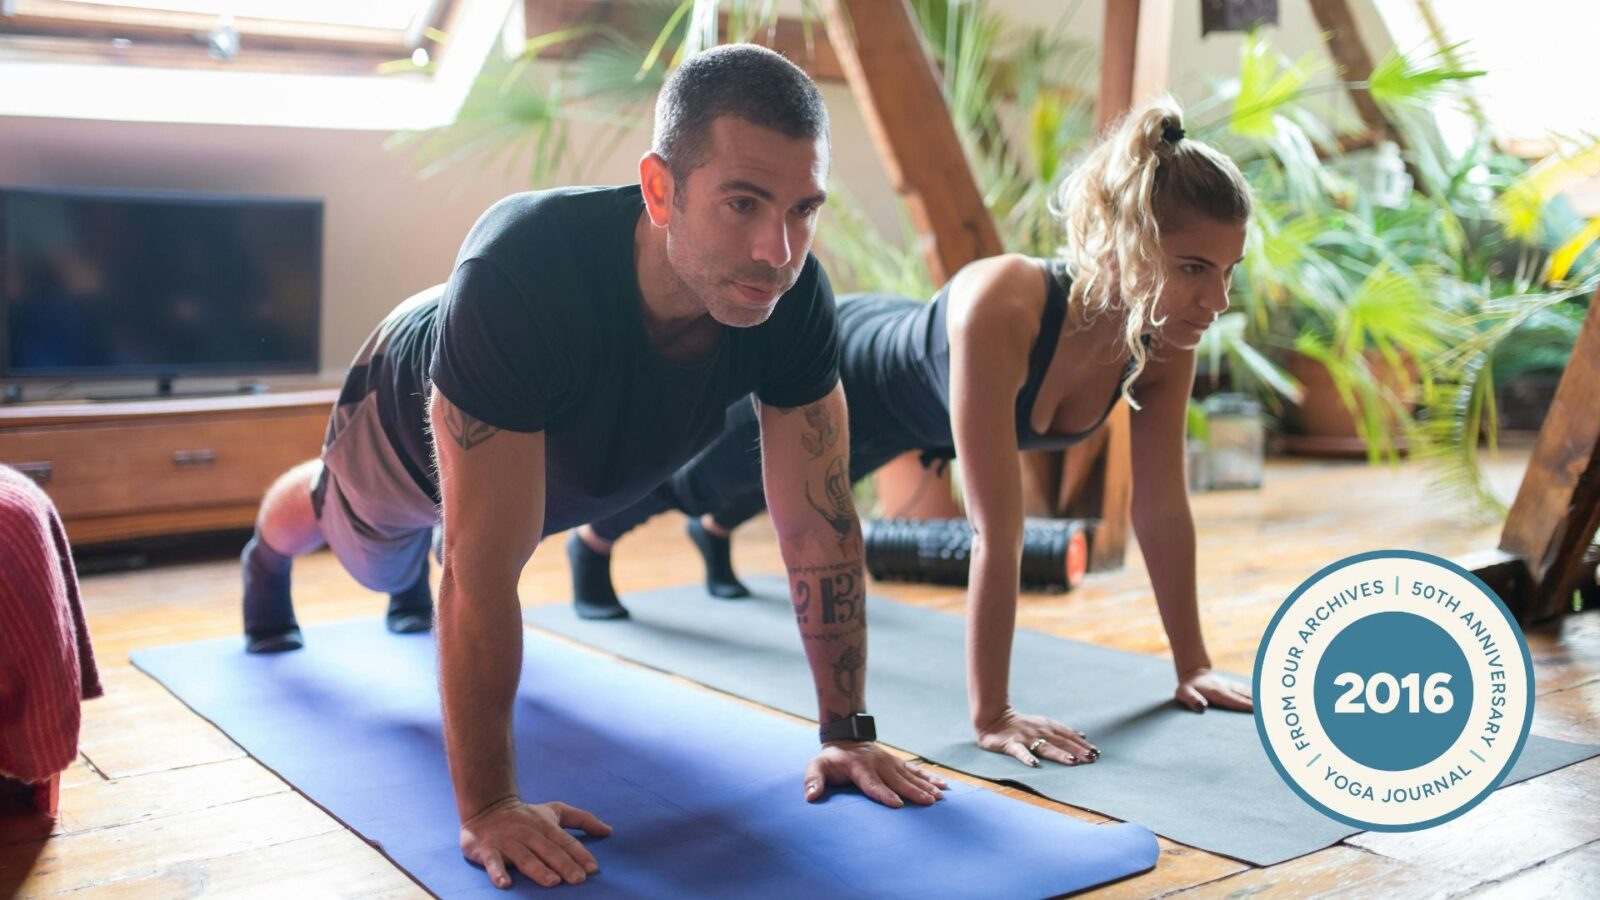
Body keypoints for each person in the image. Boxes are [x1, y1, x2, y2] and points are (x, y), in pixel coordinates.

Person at [236, 45, 945, 890]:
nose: (776, 250)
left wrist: (850, 728)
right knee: (361, 544)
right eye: (743, 204)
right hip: (403, 413)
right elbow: (479, 566)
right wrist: (490, 802)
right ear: (659, 188)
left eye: (803, 210)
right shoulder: (526, 269)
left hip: (555, 454)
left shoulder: (791, 302)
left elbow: (820, 531)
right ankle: (265, 558)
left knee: (476, 534)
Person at [569, 95, 1256, 770]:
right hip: (854, 363)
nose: (1217, 301)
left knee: (784, 487)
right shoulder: (1006, 304)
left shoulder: (1163, 337)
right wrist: (994, 715)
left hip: (907, 422)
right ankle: (593, 541)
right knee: (708, 474)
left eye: (1228, 272)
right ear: (1124, 241)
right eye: (1193, 269)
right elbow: (994, 530)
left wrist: (1192, 665)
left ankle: (713, 535)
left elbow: (1161, 509)